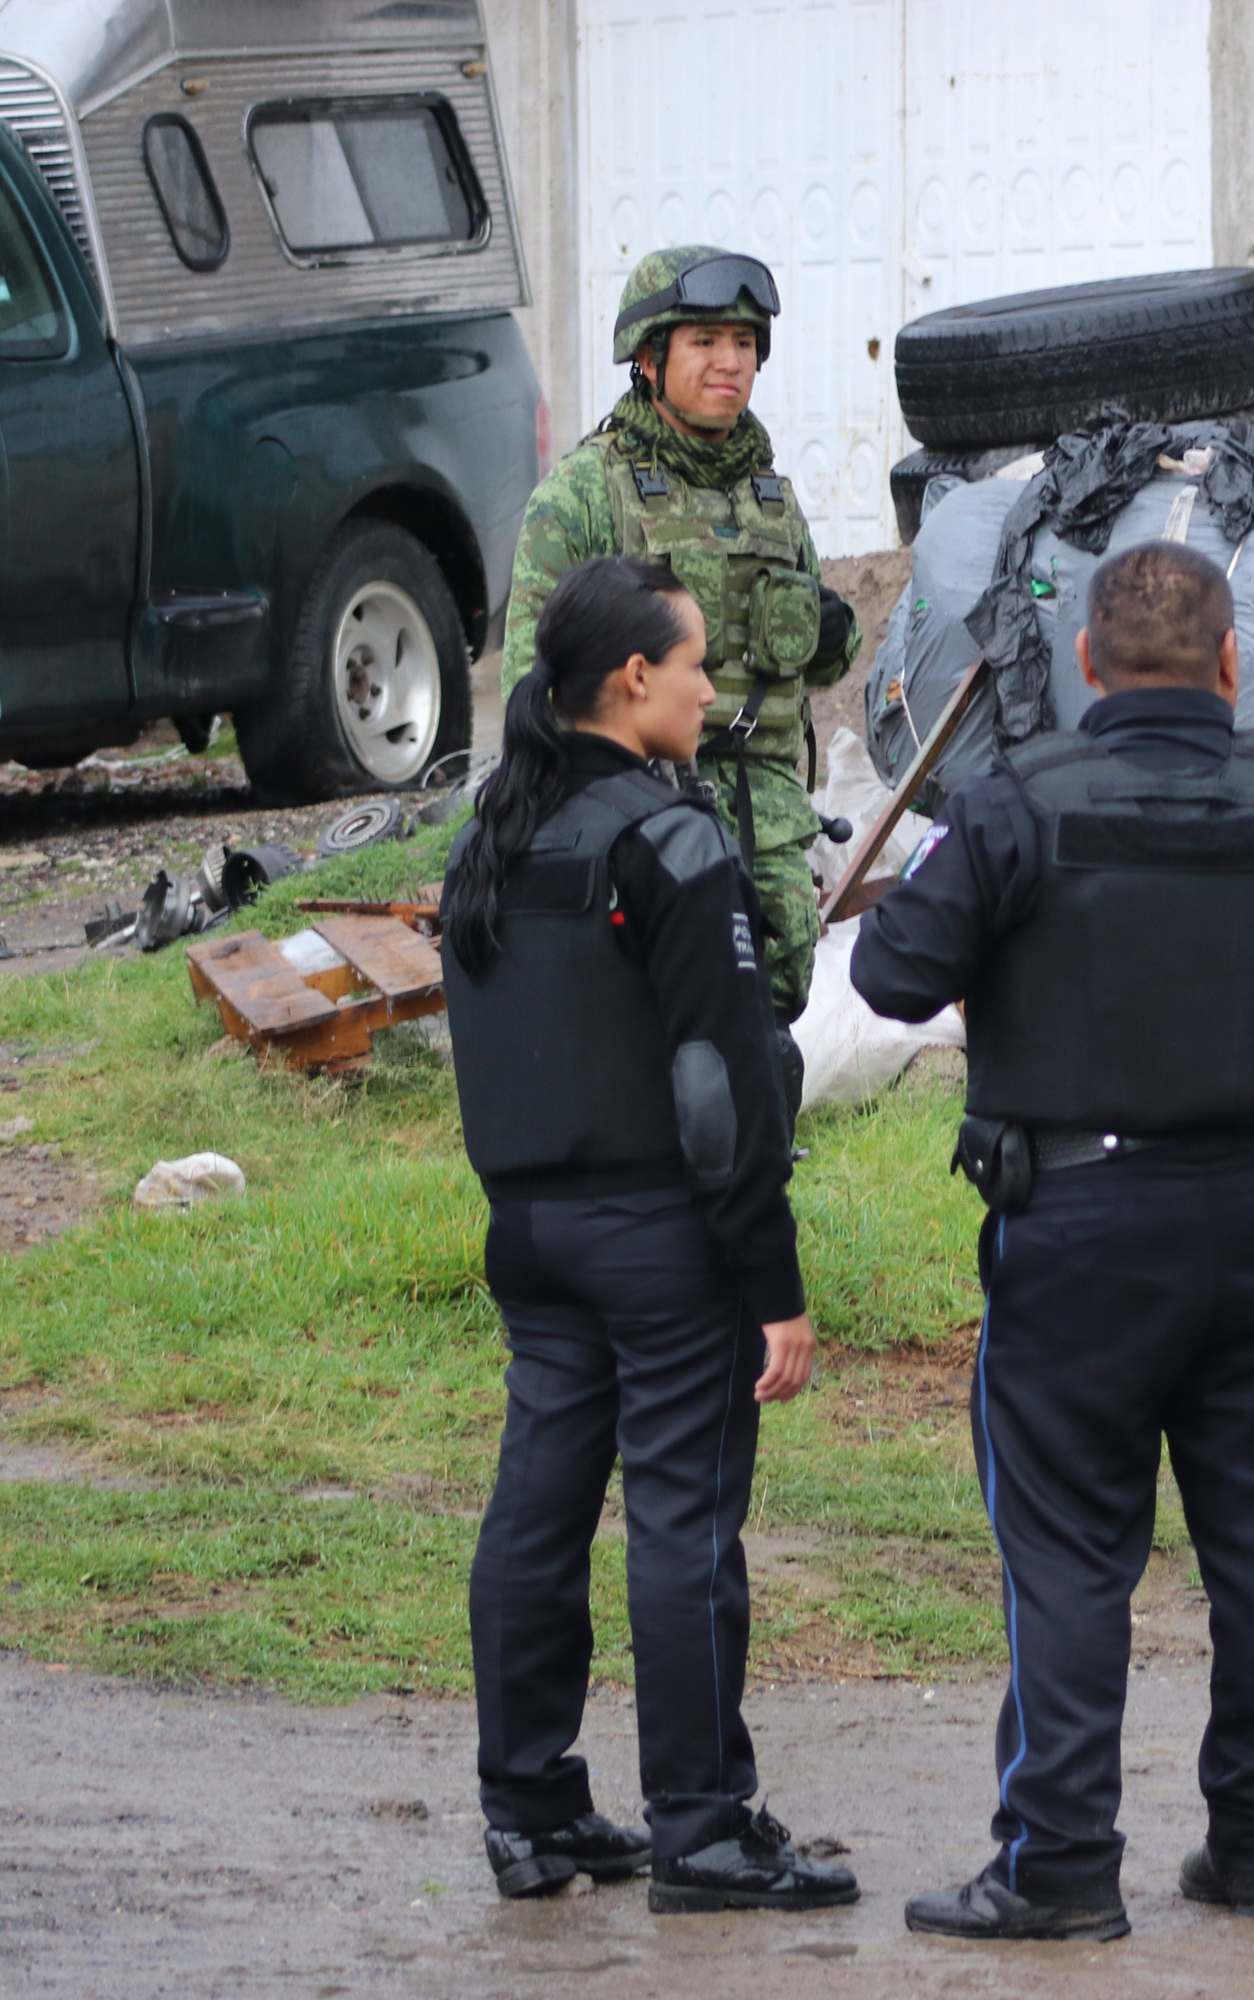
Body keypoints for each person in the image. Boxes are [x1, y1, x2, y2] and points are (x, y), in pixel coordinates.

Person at [851, 541, 1254, 1942]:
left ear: (1091, 668)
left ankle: (1058, 1868)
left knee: (1068, 1556)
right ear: (1232, 665)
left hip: (1086, 1228)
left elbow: (887, 971)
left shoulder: (1015, 807)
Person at [443, 554, 855, 1913]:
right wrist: (774, 1286)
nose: (709, 689)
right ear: (633, 680)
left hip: (530, 1233)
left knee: (539, 1508)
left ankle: (533, 1810)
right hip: (657, 1237)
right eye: (693, 667)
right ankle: (704, 1830)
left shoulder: (491, 835)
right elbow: (719, 1089)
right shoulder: (669, 842)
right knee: (684, 1523)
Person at [503, 245, 858, 1059]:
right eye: (704, 342)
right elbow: (535, 671)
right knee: (643, 1003)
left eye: (743, 343)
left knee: (773, 1001)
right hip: (638, 804)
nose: (729, 362)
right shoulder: (585, 493)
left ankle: (755, 1154)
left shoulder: (772, 497)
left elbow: (819, 660)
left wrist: (829, 632)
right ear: (651, 359)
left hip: (764, 804)